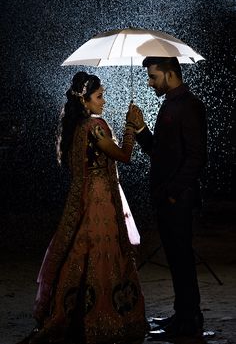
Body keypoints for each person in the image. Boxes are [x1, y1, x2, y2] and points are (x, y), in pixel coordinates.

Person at [17, 71, 148, 344]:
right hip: (100, 200)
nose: (103, 101)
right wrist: (131, 126)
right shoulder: (95, 127)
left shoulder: (78, 127)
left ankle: (77, 312)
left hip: (87, 196)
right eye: (99, 97)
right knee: (104, 253)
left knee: (82, 251)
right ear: (85, 102)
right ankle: (103, 317)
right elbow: (123, 156)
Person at [126, 57, 208, 340]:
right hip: (167, 198)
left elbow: (197, 157)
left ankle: (190, 321)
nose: (149, 83)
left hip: (178, 199)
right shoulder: (171, 104)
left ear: (170, 73)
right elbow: (161, 153)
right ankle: (182, 316)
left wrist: (172, 194)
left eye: (153, 77)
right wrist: (139, 129)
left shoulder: (189, 106)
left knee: (182, 259)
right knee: (176, 259)